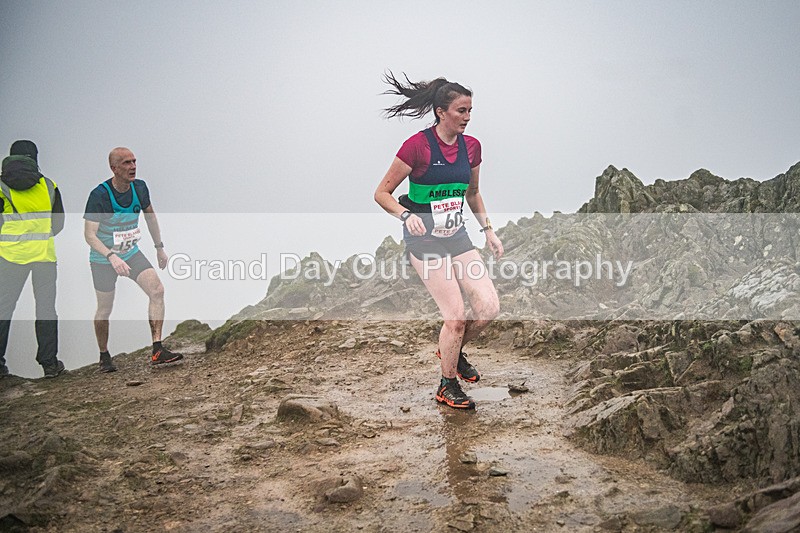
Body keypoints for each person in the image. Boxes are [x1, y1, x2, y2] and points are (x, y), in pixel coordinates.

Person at [374, 73, 503, 410]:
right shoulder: (417, 146)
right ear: (441, 111)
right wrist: (405, 215)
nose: (468, 117)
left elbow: (472, 193)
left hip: (456, 235)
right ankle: (447, 385)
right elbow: (381, 193)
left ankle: (452, 350)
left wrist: (488, 230)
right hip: (424, 240)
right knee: (456, 317)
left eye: (470, 110)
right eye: (461, 110)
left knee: (489, 308)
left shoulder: (471, 147)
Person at [83, 147, 183, 371]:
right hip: (103, 260)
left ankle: (157, 349)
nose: (133, 167)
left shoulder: (139, 187)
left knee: (157, 290)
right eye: (127, 163)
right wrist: (111, 257)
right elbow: (89, 235)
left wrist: (159, 248)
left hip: (130, 253)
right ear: (114, 168)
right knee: (104, 309)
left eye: (134, 161)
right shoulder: (99, 195)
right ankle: (104, 356)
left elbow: (150, 217)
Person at [0, 140, 66, 378]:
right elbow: (58, 223)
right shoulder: (48, 185)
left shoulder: (1, 186)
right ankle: (49, 364)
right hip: (44, 257)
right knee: (46, 309)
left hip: (9, 257)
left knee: (3, 310)